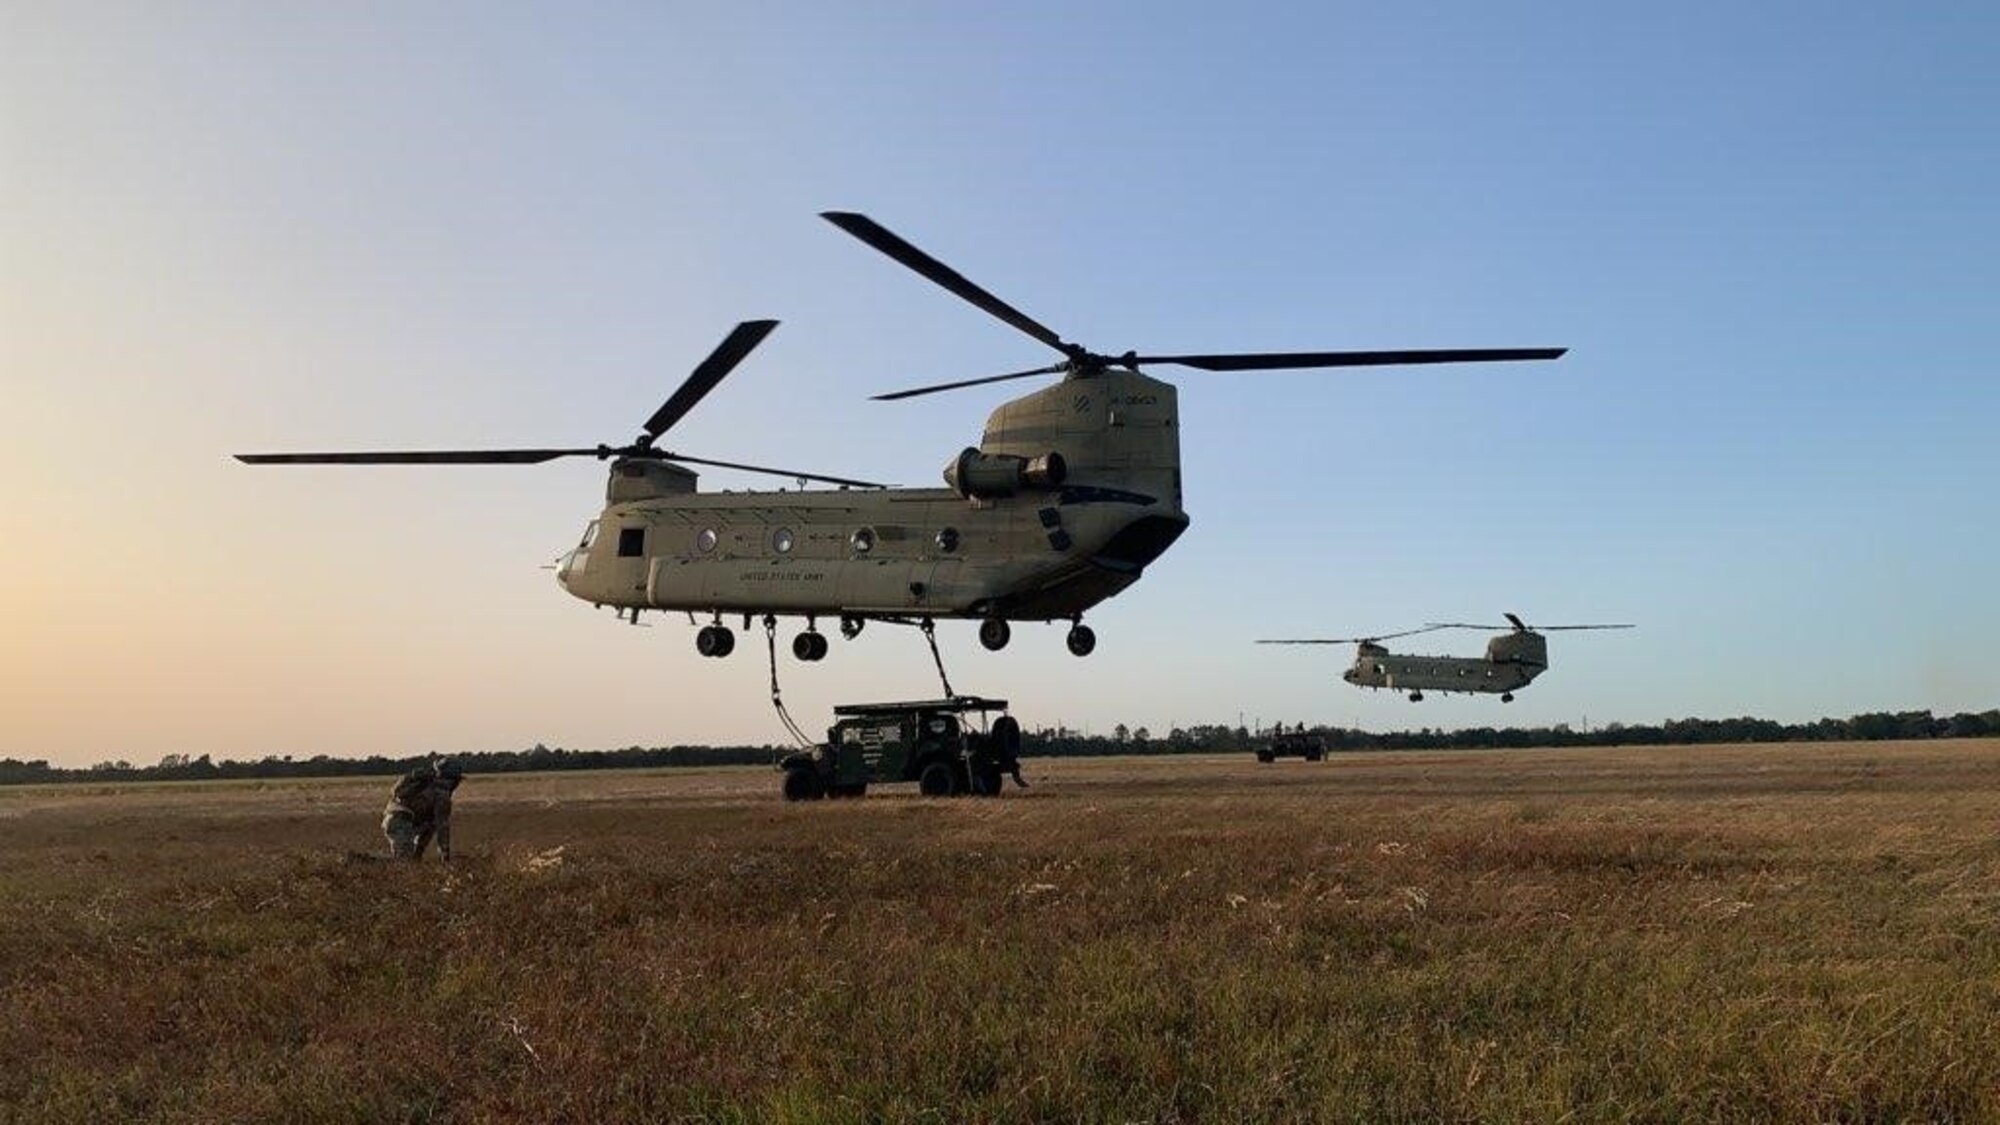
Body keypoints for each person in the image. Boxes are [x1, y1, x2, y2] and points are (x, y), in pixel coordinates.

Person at [382, 759, 463, 860]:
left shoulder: (425, 783)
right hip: (401, 823)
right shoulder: (442, 795)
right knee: (403, 862)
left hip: (393, 819)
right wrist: (445, 853)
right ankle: (369, 861)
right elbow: (442, 827)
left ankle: (416, 856)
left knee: (431, 824)